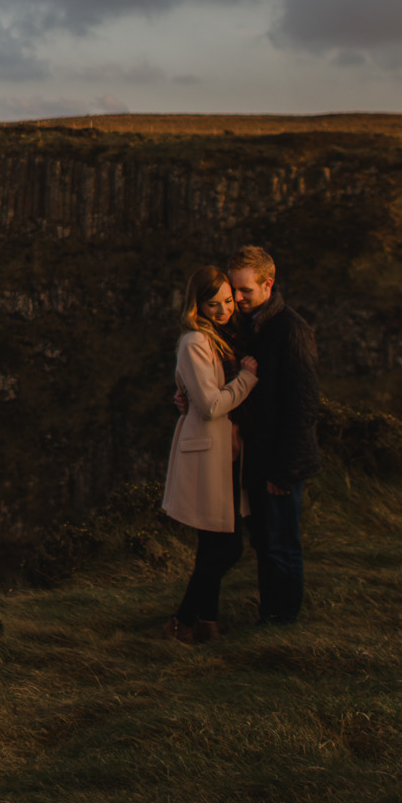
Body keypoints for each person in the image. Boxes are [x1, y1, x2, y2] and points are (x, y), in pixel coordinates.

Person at [161, 265, 257, 644]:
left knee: (214, 543)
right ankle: (182, 620)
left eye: (229, 301)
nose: (223, 310)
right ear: (197, 304)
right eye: (213, 304)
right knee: (227, 545)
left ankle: (206, 623)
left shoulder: (224, 336)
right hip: (208, 454)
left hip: (227, 453)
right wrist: (247, 378)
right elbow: (212, 405)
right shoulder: (196, 341)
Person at [225, 245, 319, 625]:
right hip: (257, 455)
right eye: (234, 290)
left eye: (245, 290)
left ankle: (283, 621)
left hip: (280, 460)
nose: (237, 298)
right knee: (263, 543)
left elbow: (303, 405)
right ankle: (270, 616)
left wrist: (283, 471)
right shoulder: (246, 327)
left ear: (268, 283)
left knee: (282, 544)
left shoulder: (291, 329)